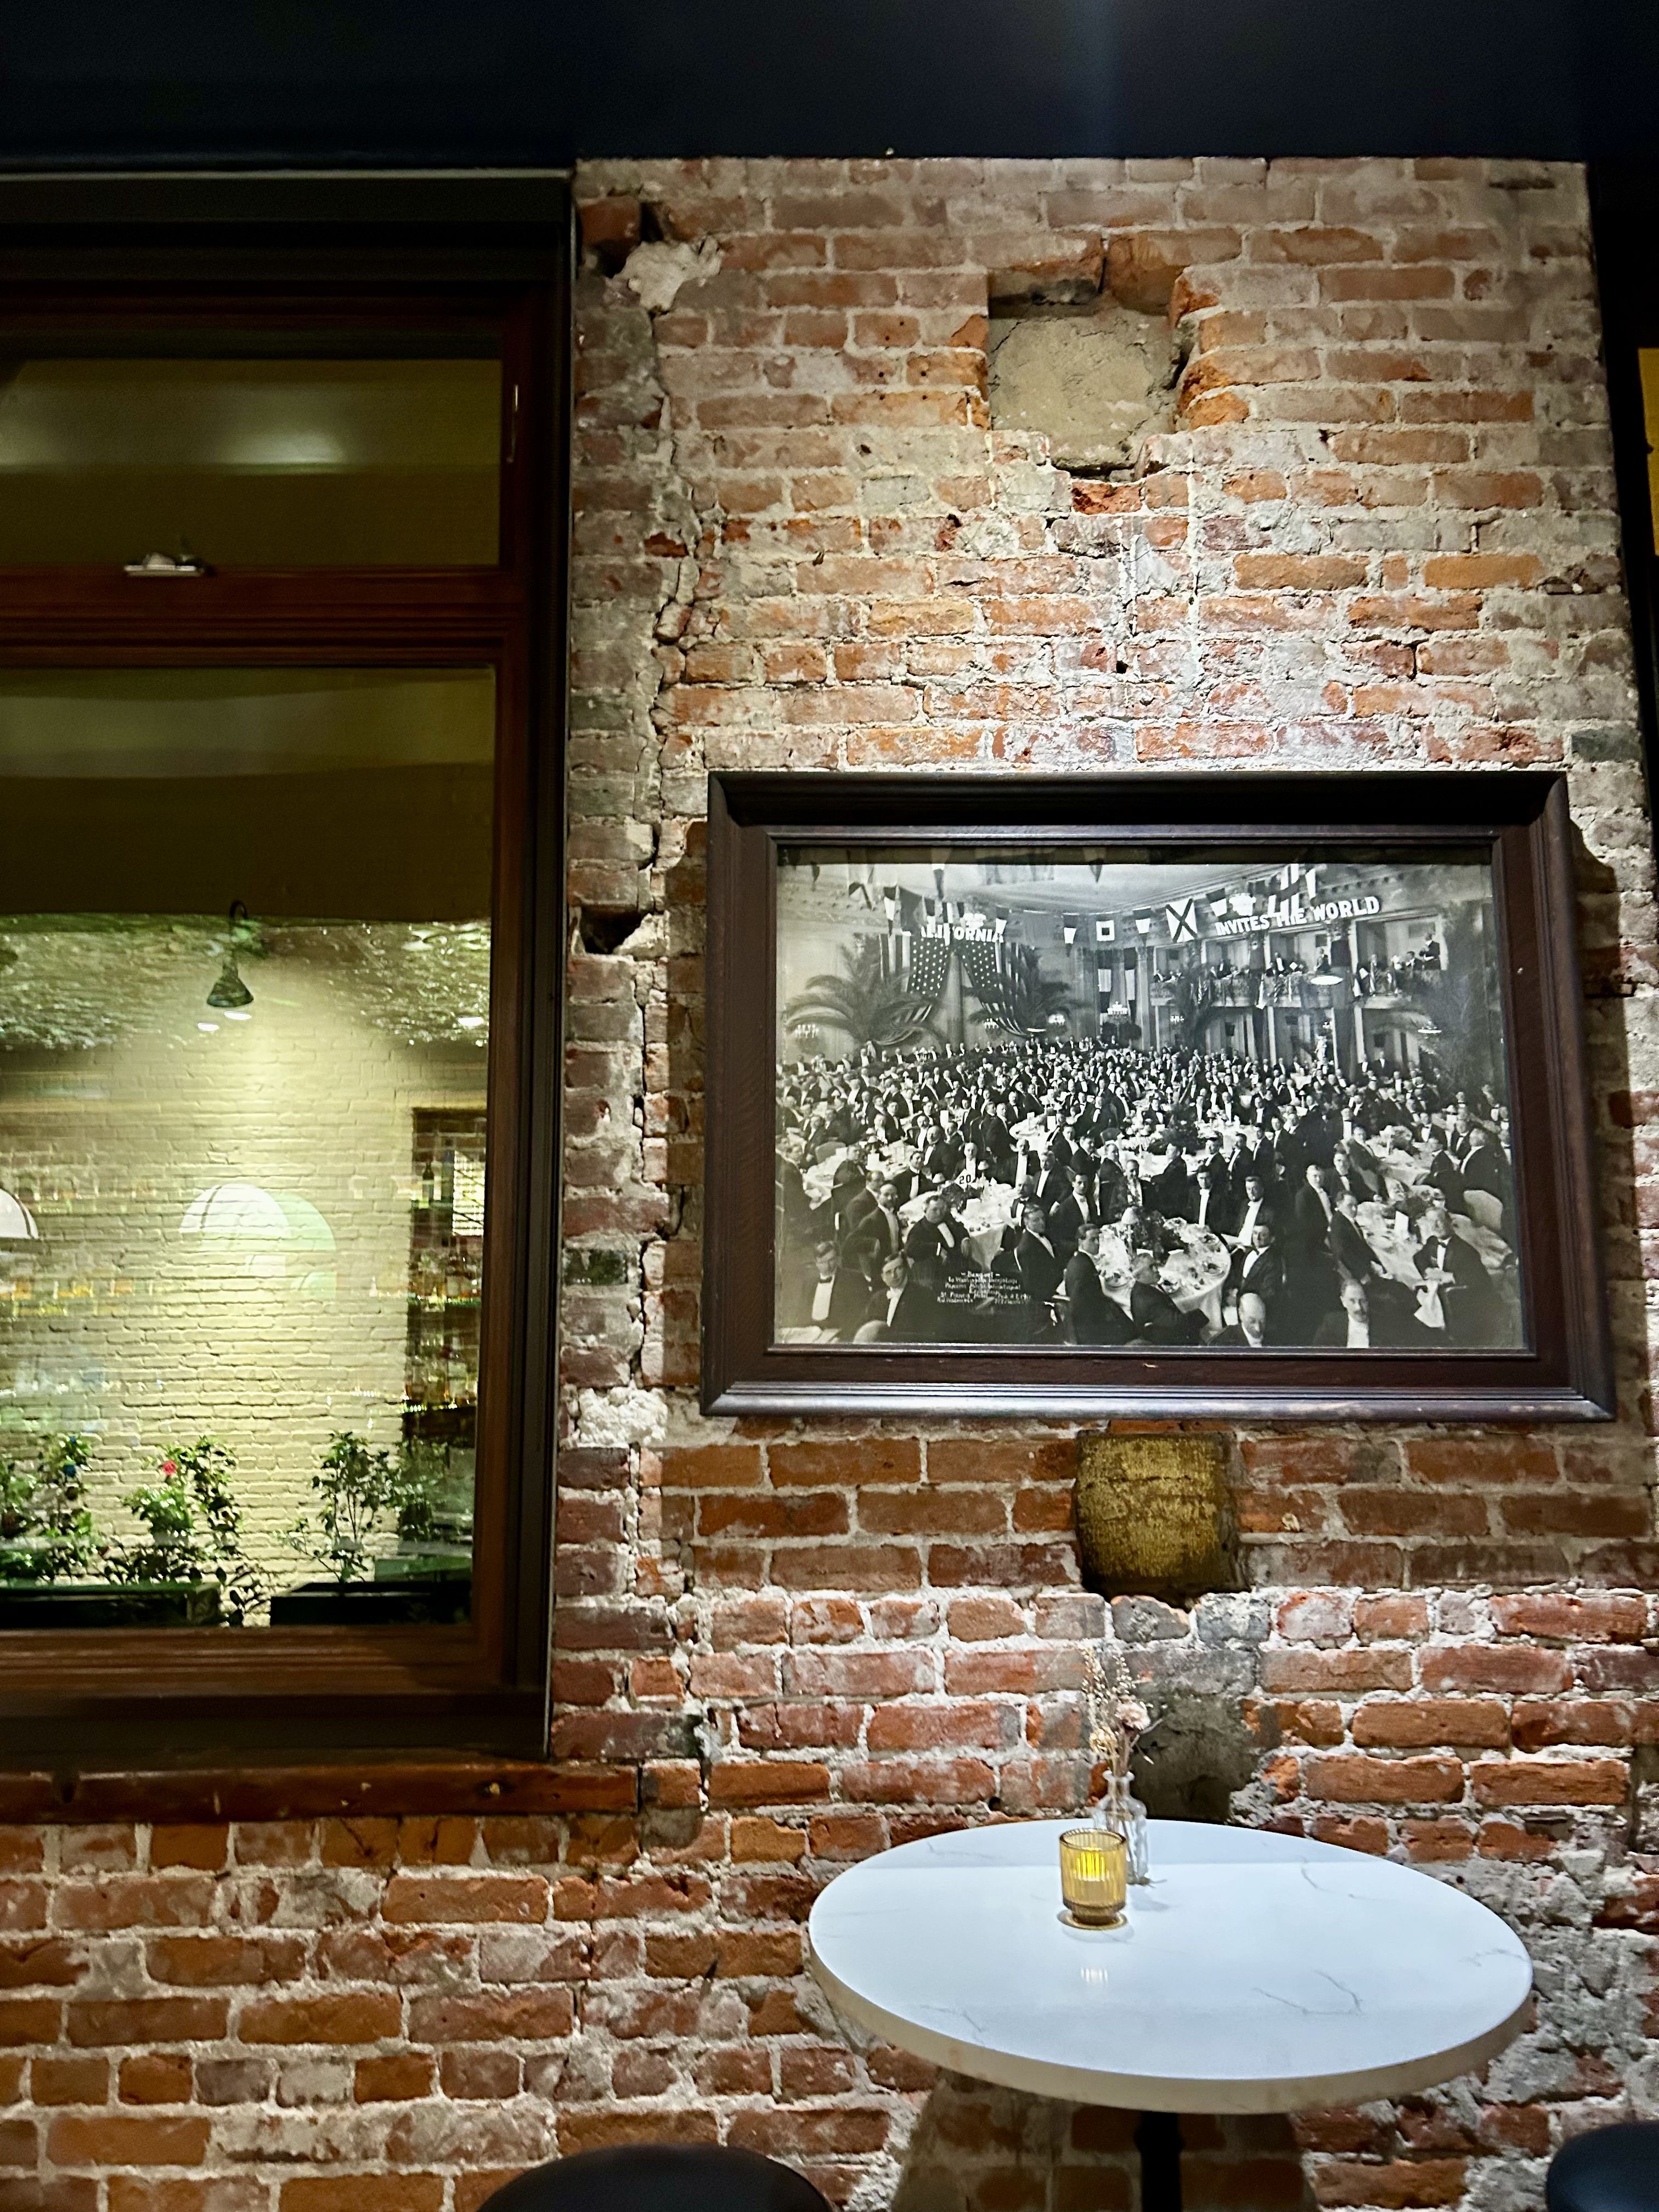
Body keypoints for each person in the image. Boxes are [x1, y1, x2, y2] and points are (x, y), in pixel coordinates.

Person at [785, 1238, 872, 1338]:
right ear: (816, 1263)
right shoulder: (809, 1284)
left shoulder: (854, 1279)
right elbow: (802, 1314)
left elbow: (862, 1314)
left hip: (841, 1335)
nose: (828, 1266)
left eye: (831, 1260)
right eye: (823, 1262)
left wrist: (842, 1335)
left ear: (838, 1259)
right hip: (812, 1335)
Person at [1063, 1226, 1135, 1346]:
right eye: (1092, 1240)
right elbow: (1086, 1305)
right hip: (1090, 1331)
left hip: (1085, 1322)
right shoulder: (1083, 1267)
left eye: (1098, 1239)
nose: (1097, 1243)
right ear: (1081, 1242)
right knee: (1132, 1324)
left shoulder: (1079, 1260)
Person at [857, 1251, 938, 1342]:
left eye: (898, 1269)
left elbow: (929, 1333)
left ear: (906, 1269)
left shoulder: (923, 1295)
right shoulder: (877, 1298)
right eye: (888, 1272)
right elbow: (863, 1326)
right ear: (883, 1277)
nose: (893, 1275)